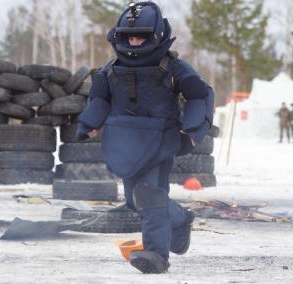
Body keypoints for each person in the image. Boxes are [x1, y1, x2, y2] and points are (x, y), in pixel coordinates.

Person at [76, 1, 214, 274]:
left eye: (141, 36)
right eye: (130, 36)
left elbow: (200, 94)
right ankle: (180, 220)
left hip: (160, 139)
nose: (135, 41)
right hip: (126, 142)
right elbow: (99, 99)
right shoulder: (111, 70)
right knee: (134, 200)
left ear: (157, 36)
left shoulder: (173, 67)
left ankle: (156, 255)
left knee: (149, 196)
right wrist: (89, 123)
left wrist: (194, 126)